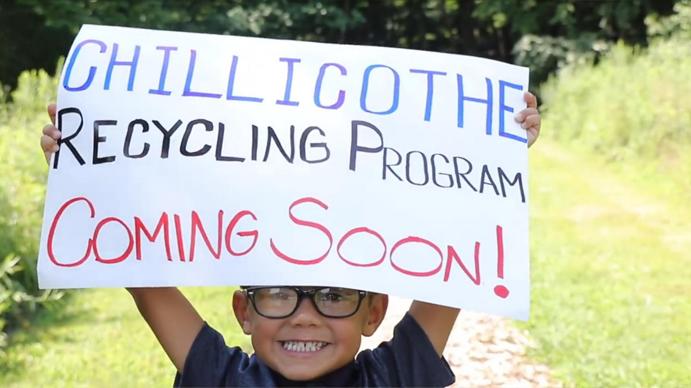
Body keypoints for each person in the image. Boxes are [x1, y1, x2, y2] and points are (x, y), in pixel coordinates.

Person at [40, 92, 541, 386]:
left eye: (333, 295)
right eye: (279, 292)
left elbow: (455, 265)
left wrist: (492, 145)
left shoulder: (393, 377)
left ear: (373, 312)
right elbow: (140, 274)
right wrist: (84, 168)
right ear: (244, 311)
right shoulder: (221, 378)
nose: (305, 314)